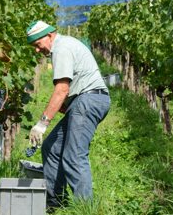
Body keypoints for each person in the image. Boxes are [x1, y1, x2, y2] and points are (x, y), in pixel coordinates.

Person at [26, 20, 111, 208]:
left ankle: (85, 209)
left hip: (88, 101)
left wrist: (42, 124)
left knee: (74, 156)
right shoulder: (65, 45)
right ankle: (55, 204)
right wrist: (64, 105)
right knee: (51, 147)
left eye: (37, 45)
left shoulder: (62, 48)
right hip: (83, 101)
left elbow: (61, 89)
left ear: (48, 36)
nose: (37, 50)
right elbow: (67, 92)